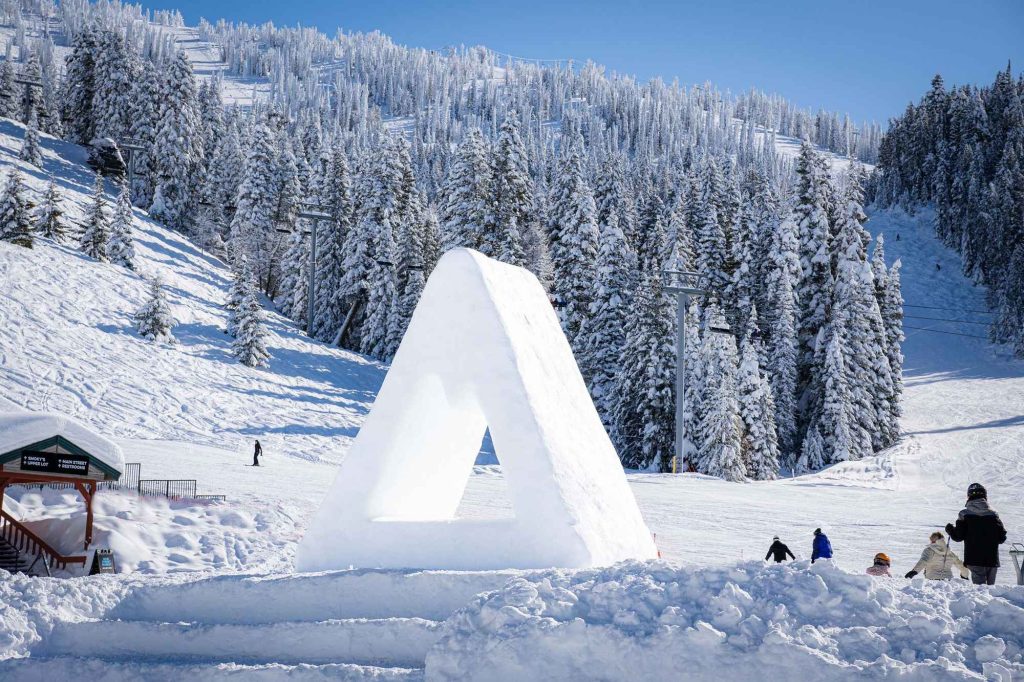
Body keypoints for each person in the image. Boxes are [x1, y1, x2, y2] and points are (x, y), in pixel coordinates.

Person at [945, 483, 1007, 585]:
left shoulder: (964, 514)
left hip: (974, 559)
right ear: (985, 496)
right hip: (992, 560)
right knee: (991, 591)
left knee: (980, 592)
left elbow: (958, 537)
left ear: (969, 496)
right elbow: (1001, 538)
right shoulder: (994, 514)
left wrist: (950, 530)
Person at [905, 531, 969, 580]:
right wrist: (965, 575)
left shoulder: (929, 550)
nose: (931, 540)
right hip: (948, 581)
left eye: (932, 538)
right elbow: (960, 565)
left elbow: (923, 561)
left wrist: (914, 571)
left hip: (932, 579)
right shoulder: (950, 553)